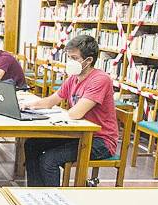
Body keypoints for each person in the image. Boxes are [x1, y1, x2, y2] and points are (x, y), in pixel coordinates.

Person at [21, 35, 117, 187]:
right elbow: (51, 101)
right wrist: (29, 105)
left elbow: (76, 113)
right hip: (78, 134)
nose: (70, 62)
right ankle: (36, 192)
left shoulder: (100, 79)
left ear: (89, 60)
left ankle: (53, 202)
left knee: (49, 160)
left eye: (74, 58)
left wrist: (59, 114)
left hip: (100, 140)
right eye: (69, 57)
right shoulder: (73, 78)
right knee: (31, 145)